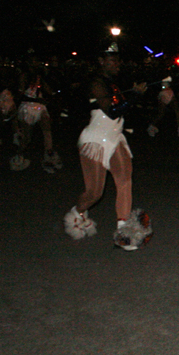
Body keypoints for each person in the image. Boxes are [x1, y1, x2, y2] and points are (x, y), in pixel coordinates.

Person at [63, 47, 153, 251]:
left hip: (114, 137)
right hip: (95, 140)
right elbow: (112, 112)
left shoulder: (112, 84)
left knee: (124, 181)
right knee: (94, 193)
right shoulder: (96, 83)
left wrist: (134, 96)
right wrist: (135, 97)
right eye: (112, 61)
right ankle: (78, 211)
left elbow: (122, 111)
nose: (117, 65)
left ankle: (124, 232)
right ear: (101, 61)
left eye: (118, 61)